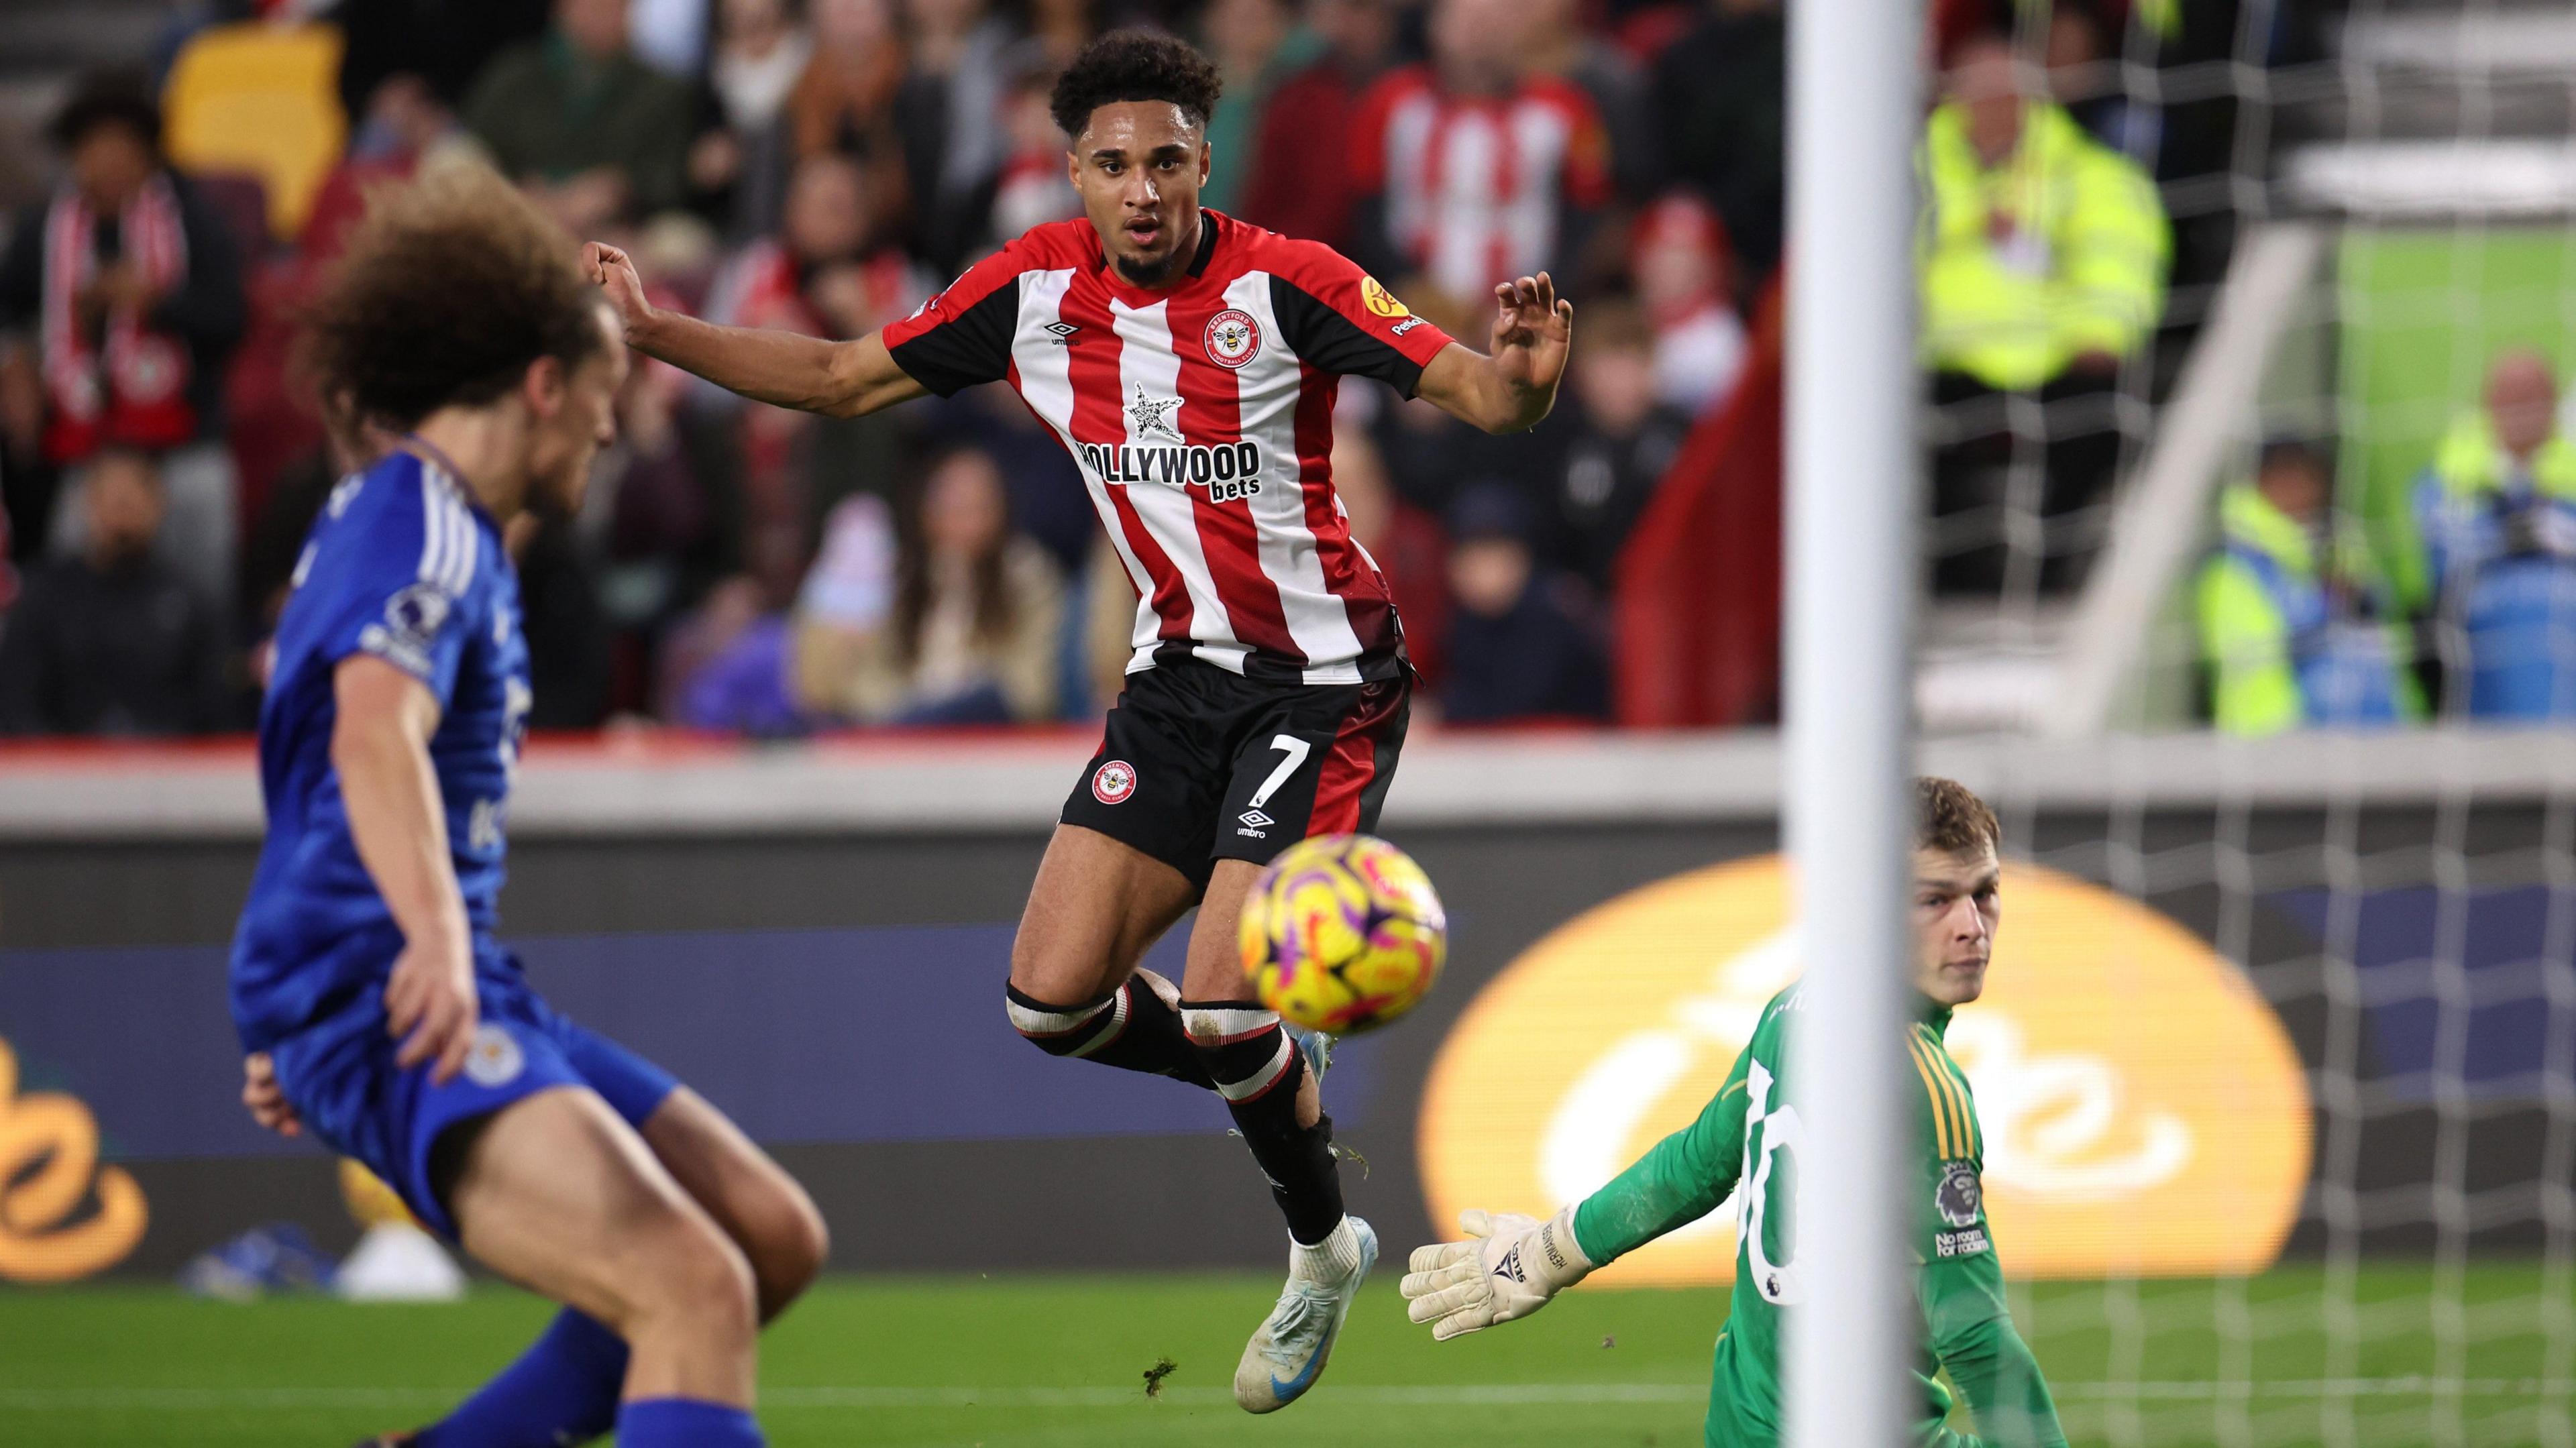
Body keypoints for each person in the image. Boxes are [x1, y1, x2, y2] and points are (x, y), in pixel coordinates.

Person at [586, 28, 1574, 1412]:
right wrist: (653, 329)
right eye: (1113, 164)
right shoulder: (1033, 292)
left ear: (1203, 162)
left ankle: (1314, 1244)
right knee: (1047, 1002)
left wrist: (1525, 374)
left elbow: (1483, 392)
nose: (1143, 187)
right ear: (1074, 174)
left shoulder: (1293, 285)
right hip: (1176, 682)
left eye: (1167, 158)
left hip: (1324, 679)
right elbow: (837, 378)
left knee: (1228, 1003)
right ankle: (1281, 1070)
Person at [228, 167, 824, 1448]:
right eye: (607, 397)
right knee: (692, 1286)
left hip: (392, 972)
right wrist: (407, 953)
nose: (610, 435)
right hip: (396, 983)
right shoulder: (424, 527)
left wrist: (290, 986)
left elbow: (308, 759)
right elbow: (372, 734)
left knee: (766, 1237)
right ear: (546, 385)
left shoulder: (420, 525)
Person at [1401, 777, 2070, 1448]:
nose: (1971, 926)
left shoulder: (1793, 1010)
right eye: (1935, 899)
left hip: (1742, 1428)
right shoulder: (1925, 1084)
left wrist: (1547, 1253)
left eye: (1985, 892)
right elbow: (1977, 1340)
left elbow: (1697, 1163)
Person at [1921, 32, 2167, 596]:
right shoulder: (1908, 180)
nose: (1993, 111)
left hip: (2052, 361)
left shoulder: (2091, 175)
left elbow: (2119, 263)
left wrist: (2099, 334)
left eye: (2007, 97)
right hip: (1943, 365)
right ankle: (1951, 581)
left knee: (2103, 415)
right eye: (1978, 98)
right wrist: (1970, 222)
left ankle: (2048, 577)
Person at [0, 72, 247, 610]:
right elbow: (7, 304)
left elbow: (232, 320)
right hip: (80, 449)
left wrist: (159, 301)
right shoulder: (47, 228)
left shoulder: (194, 224)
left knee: (205, 552)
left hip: (184, 444)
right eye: (94, 149)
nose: (109, 164)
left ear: (150, 157)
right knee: (68, 566)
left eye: (123, 149)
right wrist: (14, 359)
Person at [1347, 0, 1611, 311]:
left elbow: (1587, 217)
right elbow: (1366, 208)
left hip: (1525, 308)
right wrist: (1405, 288)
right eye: (1466, 21)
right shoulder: (1390, 102)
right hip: (1411, 305)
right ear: (1436, 27)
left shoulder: (1565, 108)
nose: (1479, 36)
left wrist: (1539, 298)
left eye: (1493, 21)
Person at [796, 443, 1065, 723]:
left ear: (1001, 510)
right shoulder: (899, 575)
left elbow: (1032, 685)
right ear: (927, 510)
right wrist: (902, 705)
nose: (963, 520)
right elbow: (867, 677)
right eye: (951, 505)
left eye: (977, 506)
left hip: (990, 727)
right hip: (910, 725)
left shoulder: (1028, 576)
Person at [0, 445, 232, 736]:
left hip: (169, 769)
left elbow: (217, 710)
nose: (122, 518)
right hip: (63, 770)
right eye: (112, 502)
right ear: (87, 504)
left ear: (159, 505)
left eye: (133, 502)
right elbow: (19, 703)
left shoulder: (191, 602)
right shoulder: (44, 598)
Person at [2198, 439, 2417, 734]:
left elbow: (2389, 637)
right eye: (2288, 476)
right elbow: (2255, 680)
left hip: (2381, 739)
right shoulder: (2233, 569)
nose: (2304, 489)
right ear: (2262, 483)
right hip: (2290, 755)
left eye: (2309, 477)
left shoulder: (2340, 548)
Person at [2411, 348, 2576, 718]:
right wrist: (2500, 539)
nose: (2521, 405)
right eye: (2509, 394)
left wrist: (2558, 536)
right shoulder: (2450, 475)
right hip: (2485, 657)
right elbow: (2441, 559)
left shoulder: (2571, 469)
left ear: (2554, 402)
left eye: (2533, 394)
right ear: (2487, 402)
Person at [460, 0, 699, 229]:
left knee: (679, 241)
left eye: (615, 6)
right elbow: (474, 147)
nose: (603, 15)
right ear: (561, 9)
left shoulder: (662, 89)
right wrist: (518, 192)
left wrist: (618, 190)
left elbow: (670, 174)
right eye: (592, 5)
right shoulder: (513, 75)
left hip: (625, 228)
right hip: (514, 211)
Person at [1438, 483, 1609, 722]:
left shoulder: (1553, 615)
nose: (1484, 574)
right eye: (1472, 559)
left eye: (1495, 556)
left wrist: (1439, 712)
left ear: (1523, 559)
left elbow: (1512, 705)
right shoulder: (1464, 623)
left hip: (1585, 750)